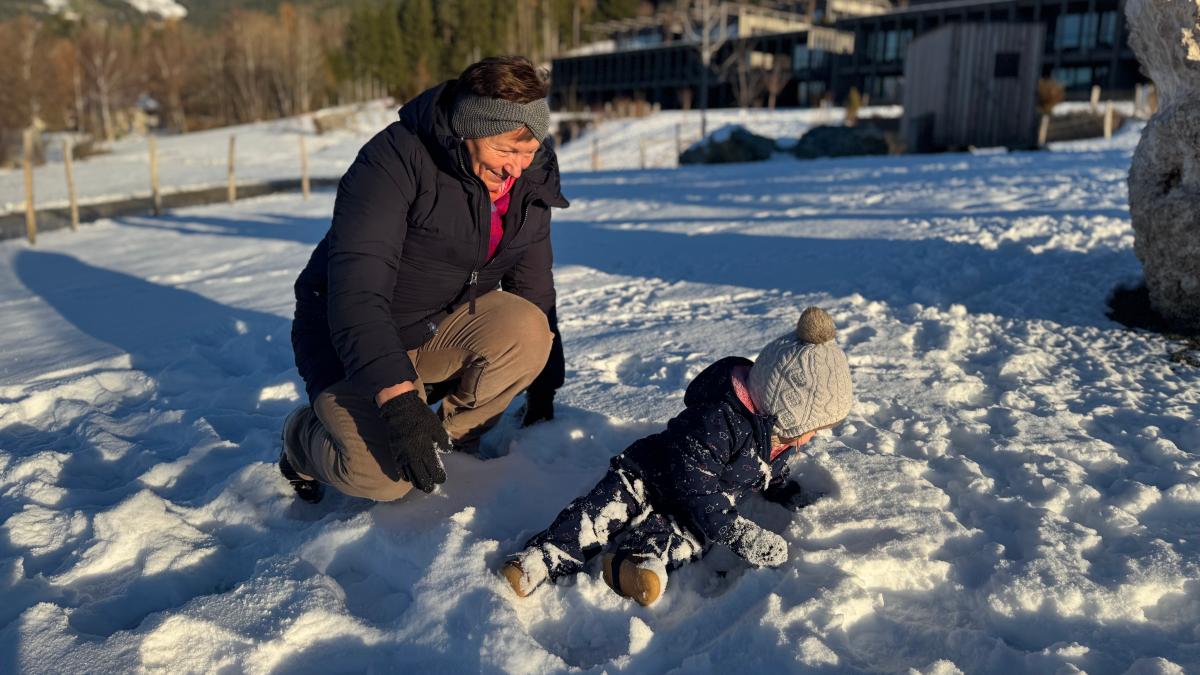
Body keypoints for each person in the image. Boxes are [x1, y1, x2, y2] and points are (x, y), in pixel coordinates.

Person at [280, 56, 568, 504]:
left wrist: (545, 383)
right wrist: (399, 407)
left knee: (529, 328)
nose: (516, 168)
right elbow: (356, 294)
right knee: (382, 480)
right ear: (468, 129)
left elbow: (534, 287)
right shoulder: (393, 160)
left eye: (528, 152)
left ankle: (451, 444)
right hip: (350, 335)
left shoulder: (529, 175)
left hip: (438, 326)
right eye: (505, 151)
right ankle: (301, 438)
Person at [500, 307, 853, 607]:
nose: (811, 437)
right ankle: (541, 559)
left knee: (687, 538)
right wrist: (737, 532)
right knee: (600, 513)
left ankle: (636, 564)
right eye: (812, 428)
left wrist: (783, 491)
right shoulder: (717, 420)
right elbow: (695, 484)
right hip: (647, 477)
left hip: (694, 507)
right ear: (786, 412)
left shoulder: (776, 435)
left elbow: (767, 471)